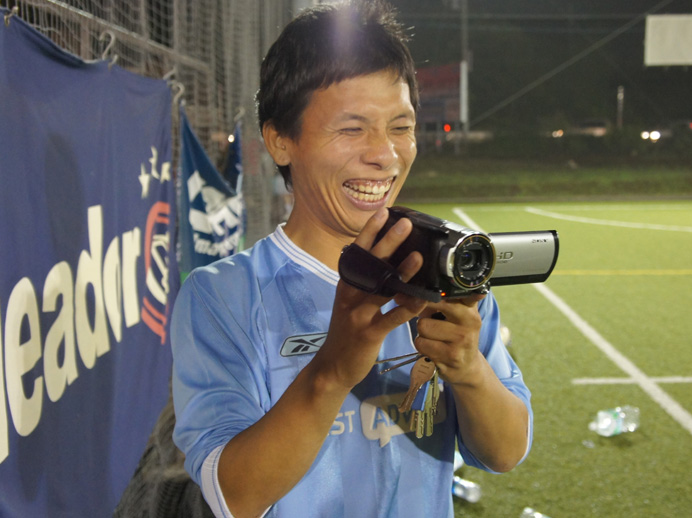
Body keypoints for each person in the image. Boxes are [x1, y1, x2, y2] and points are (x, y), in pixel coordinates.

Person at [170, 1, 532, 517]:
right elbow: (234, 497)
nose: (384, 154)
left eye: (401, 127)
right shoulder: (222, 295)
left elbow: (506, 452)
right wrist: (332, 369)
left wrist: (468, 367)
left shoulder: (443, 271)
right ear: (280, 141)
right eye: (351, 129)